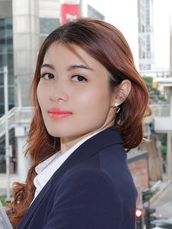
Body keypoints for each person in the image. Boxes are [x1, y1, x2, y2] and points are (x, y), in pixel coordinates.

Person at [8, 18, 151, 229]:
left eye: (79, 78)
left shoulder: (92, 181)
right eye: (48, 75)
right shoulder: (71, 165)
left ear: (119, 93)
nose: (56, 94)